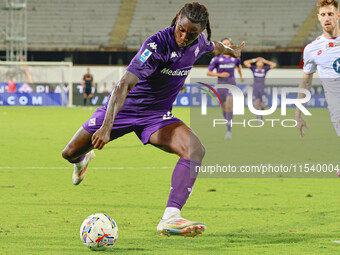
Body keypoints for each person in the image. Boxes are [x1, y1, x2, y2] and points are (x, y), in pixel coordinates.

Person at [62, 2, 245, 237]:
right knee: (69, 153)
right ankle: (82, 159)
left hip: (157, 116)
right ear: (177, 18)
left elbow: (215, 47)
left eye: (191, 34)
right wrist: (106, 127)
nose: (183, 37)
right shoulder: (156, 44)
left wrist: (234, 51)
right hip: (123, 109)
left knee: (195, 149)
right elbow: (123, 85)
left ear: (200, 32)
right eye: (181, 29)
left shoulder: (199, 43)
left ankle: (170, 217)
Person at [296, 0, 340, 138]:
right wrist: (298, 114)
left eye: (330, 14)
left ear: (338, 15)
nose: (327, 18)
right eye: (323, 14)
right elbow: (306, 83)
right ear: (318, 17)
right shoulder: (311, 49)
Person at [206, 37, 244, 139]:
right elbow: (208, 72)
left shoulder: (235, 57)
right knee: (223, 108)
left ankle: (228, 129)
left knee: (229, 107)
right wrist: (220, 74)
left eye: (228, 43)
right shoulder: (217, 58)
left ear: (231, 45)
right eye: (224, 43)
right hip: (221, 85)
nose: (226, 45)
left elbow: (239, 67)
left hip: (232, 85)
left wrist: (241, 76)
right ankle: (228, 121)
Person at [243, 57, 276, 121]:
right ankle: (257, 117)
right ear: (256, 63)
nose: (260, 63)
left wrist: (265, 60)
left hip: (262, 89)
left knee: (263, 104)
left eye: (261, 62)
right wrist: (254, 59)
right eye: (259, 62)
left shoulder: (265, 69)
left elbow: (274, 64)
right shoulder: (253, 68)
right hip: (255, 88)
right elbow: (245, 62)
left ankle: (262, 116)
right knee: (256, 103)